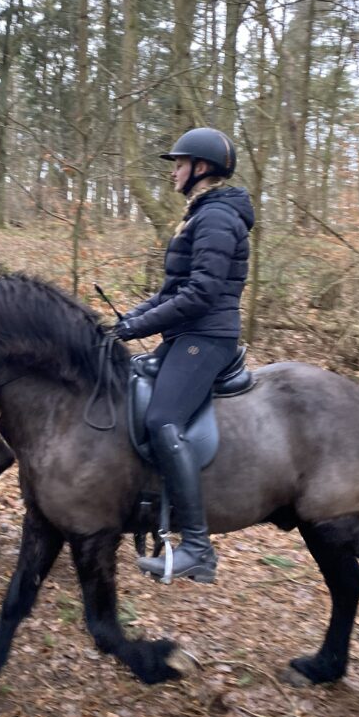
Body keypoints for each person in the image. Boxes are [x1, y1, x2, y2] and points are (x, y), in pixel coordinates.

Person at [115, 127, 254, 583]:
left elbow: (200, 294)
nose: (173, 172)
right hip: (186, 335)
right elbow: (170, 291)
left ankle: (197, 546)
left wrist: (138, 327)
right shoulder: (200, 215)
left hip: (206, 338)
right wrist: (124, 320)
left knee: (162, 420)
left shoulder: (216, 218)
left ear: (202, 168)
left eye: (179, 164)